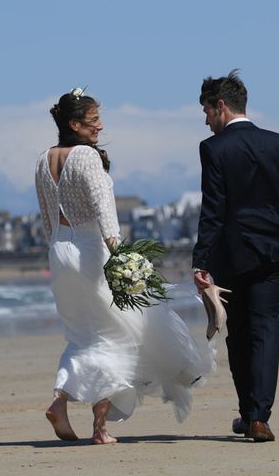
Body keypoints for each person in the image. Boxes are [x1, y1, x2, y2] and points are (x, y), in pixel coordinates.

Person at [36, 88, 215, 444]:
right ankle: (99, 429)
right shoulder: (86, 157)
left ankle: (60, 400)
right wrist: (120, 254)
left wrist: (57, 251)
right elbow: (104, 208)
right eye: (93, 120)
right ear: (74, 123)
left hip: (59, 252)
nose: (100, 127)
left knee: (81, 335)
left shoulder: (43, 159)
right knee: (114, 336)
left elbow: (45, 217)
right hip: (91, 252)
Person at [192, 70, 279, 442]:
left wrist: (201, 261)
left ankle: (250, 413)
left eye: (207, 112)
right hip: (275, 252)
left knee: (239, 334)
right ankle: (258, 417)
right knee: (267, 328)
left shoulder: (214, 149)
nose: (206, 120)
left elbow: (213, 209)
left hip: (234, 255)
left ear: (220, 106)